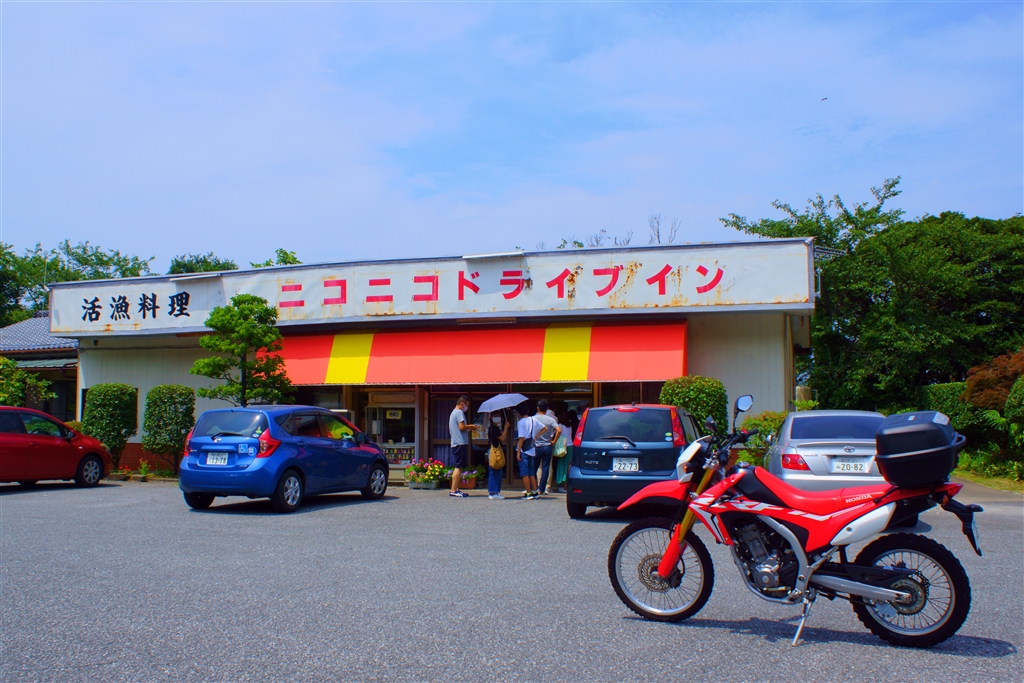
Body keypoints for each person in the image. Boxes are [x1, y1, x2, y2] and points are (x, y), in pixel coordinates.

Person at [448, 396, 477, 498]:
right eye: (466, 405)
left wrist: (468, 428)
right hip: (460, 443)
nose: (466, 408)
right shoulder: (459, 412)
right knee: (458, 467)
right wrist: (471, 426)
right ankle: (453, 490)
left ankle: (455, 489)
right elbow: (461, 427)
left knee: (458, 466)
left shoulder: (453, 413)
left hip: (456, 442)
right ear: (462, 404)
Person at [533, 399, 561, 496]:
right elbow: (559, 430)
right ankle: (542, 489)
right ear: (547, 409)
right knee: (546, 468)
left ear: (537, 408)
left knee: (534, 467)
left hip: (536, 446)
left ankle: (534, 487)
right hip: (547, 446)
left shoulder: (533, 419)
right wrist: (554, 441)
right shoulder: (550, 419)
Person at [516, 403, 540, 500]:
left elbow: (521, 438)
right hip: (532, 448)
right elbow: (545, 428)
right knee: (531, 472)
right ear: (528, 410)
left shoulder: (520, 422)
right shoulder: (533, 420)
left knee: (524, 473)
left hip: (524, 450)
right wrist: (535, 436)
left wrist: (518, 452)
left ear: (518, 413)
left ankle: (528, 493)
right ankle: (535, 491)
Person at [487, 410, 509, 500]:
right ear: (491, 417)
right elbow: (502, 438)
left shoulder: (493, 427)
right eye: (495, 415)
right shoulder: (494, 428)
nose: (497, 417)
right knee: (495, 471)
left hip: (493, 451)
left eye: (499, 415)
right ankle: (493, 492)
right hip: (495, 452)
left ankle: (495, 491)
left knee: (497, 471)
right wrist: (506, 427)